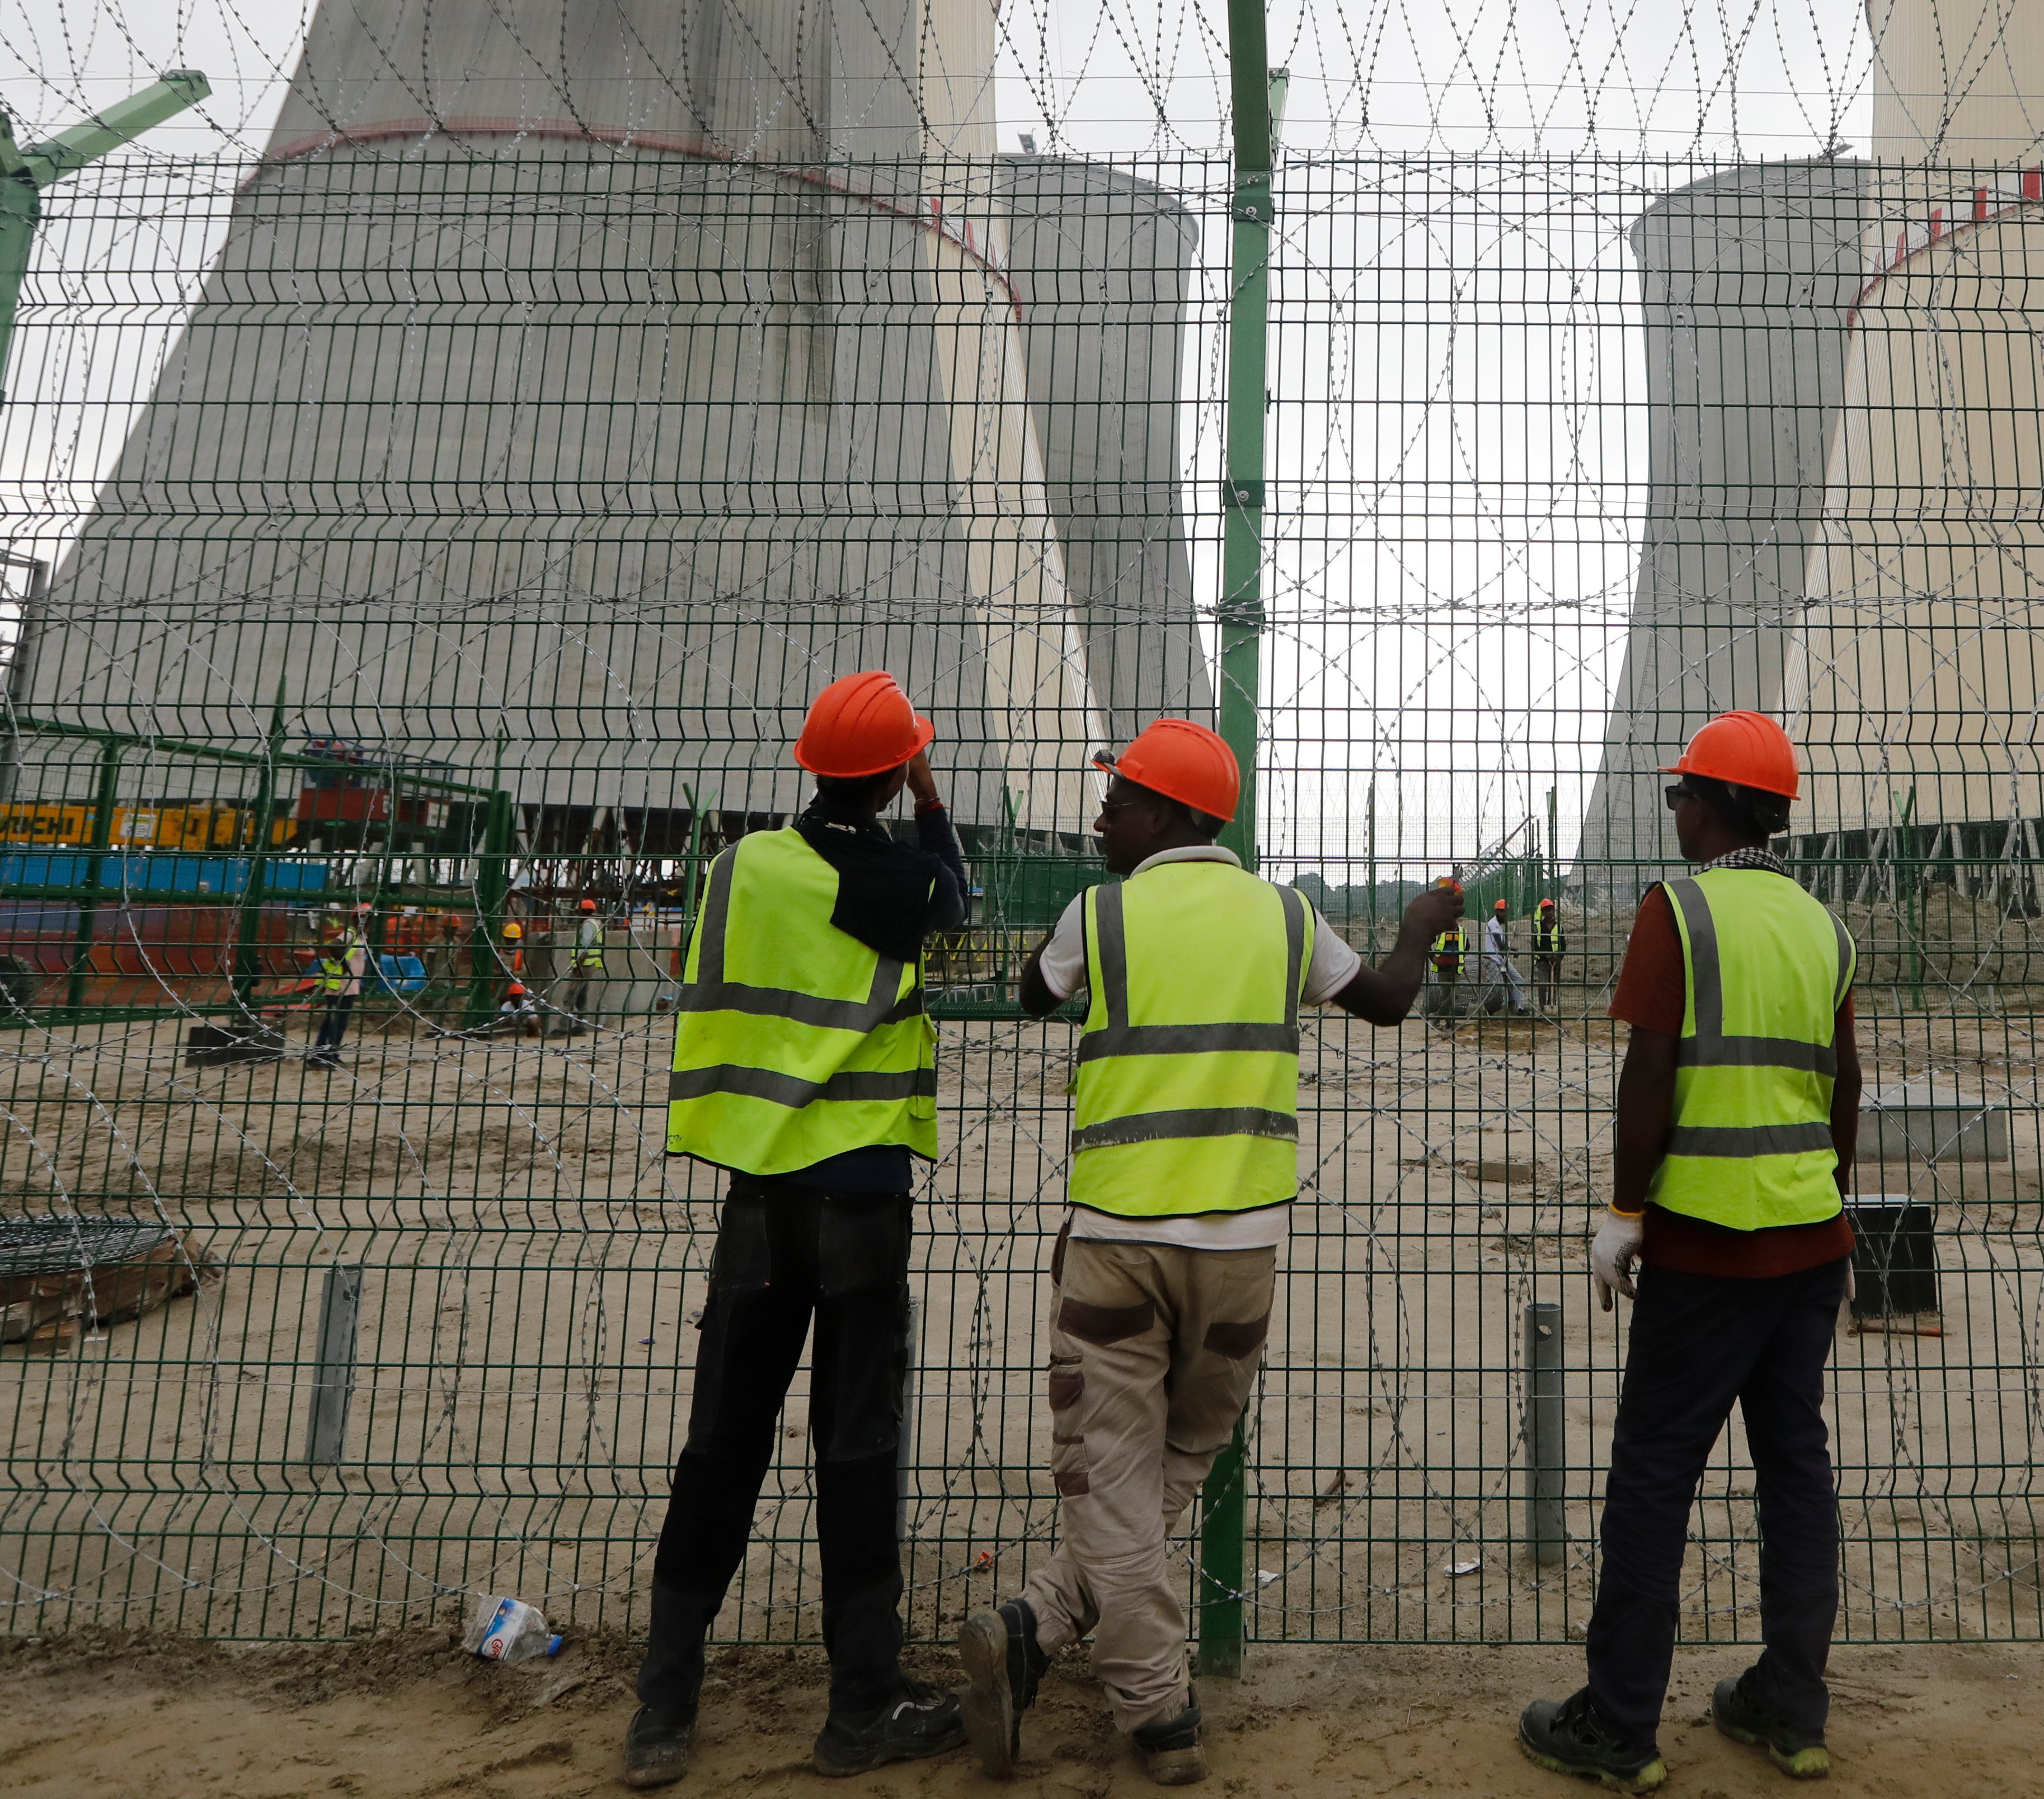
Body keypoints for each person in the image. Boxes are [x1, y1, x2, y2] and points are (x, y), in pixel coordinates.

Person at [962, 719, 1457, 1787]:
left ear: (1176, 816)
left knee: (1109, 1473)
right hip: (1241, 1247)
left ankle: (1137, 1695)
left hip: (1115, 1243)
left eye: (1121, 802)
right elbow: (1387, 1001)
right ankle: (1058, 1637)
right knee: (1184, 1452)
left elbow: (1028, 994)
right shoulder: (1286, 915)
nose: (1102, 819)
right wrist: (1418, 925)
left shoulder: (1100, 913)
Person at [623, 671, 974, 1789]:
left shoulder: (741, 864)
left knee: (721, 1441)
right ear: (890, 773)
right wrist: (930, 799)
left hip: (758, 1191)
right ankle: (861, 1704)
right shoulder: (894, 873)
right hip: (859, 1196)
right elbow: (958, 901)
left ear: (809, 760)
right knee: (856, 1445)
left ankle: (663, 1710)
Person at [1519, 710, 1860, 1795]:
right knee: (1795, 1469)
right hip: (1810, 1241)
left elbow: (1648, 1075)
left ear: (1710, 805)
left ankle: (1620, 1721)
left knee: (1654, 1474)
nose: (1673, 809)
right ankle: (1791, 1707)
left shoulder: (1680, 909)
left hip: (1708, 1245)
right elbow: (1847, 1086)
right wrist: (1826, 1195)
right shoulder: (1821, 925)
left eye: (1679, 794)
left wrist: (1626, 1207)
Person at [302, 908, 365, 1068]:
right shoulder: (350, 934)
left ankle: (328, 1054)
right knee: (335, 1022)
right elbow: (334, 945)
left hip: (350, 986)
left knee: (337, 1022)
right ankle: (323, 1055)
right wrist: (345, 965)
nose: (364, 921)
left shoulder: (360, 936)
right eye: (361, 917)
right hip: (340, 986)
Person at [1477, 897, 1525, 1015]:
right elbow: (1500, 944)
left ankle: (1513, 1006)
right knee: (1517, 980)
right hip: (1497, 960)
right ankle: (1518, 1008)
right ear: (1497, 912)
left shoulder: (1497, 924)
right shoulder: (1494, 924)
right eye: (1502, 911)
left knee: (1508, 983)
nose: (1504, 914)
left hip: (1500, 960)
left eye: (1505, 911)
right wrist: (1514, 950)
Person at [1427, 908, 1467, 1022]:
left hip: (1456, 969)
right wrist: (1433, 958)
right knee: (1446, 996)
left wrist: (1461, 959)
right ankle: (1450, 1023)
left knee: (1456, 994)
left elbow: (1466, 947)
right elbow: (1427, 943)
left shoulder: (1462, 932)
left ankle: (1438, 1015)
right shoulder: (1440, 931)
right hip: (1443, 969)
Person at [1533, 892, 1567, 1004]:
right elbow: (1535, 945)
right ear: (1543, 912)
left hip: (1556, 961)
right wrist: (1546, 955)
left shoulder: (1558, 927)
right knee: (1542, 986)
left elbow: (1563, 945)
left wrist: (1559, 957)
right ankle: (1543, 1008)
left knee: (1554, 986)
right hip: (1543, 961)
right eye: (1547, 910)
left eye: (1551, 910)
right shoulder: (1539, 927)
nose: (1549, 912)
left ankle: (1552, 1005)